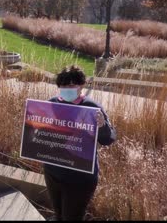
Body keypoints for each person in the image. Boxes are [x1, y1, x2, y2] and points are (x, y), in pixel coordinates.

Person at [43, 65, 116, 221]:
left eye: (72, 85)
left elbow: (108, 139)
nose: (67, 88)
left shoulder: (92, 107)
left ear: (81, 85)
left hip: (79, 178)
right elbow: (42, 131)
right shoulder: (52, 103)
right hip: (53, 172)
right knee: (59, 214)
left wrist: (102, 126)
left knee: (72, 217)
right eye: (63, 85)